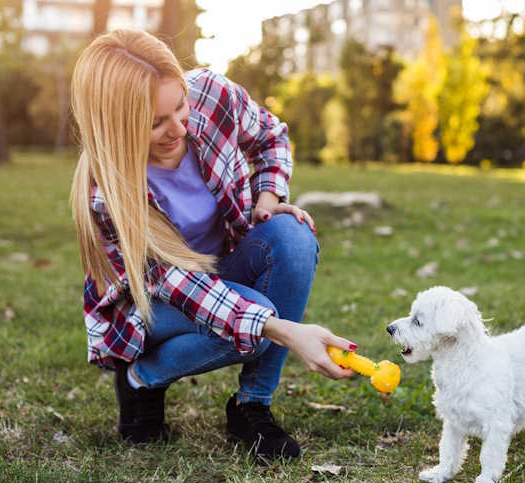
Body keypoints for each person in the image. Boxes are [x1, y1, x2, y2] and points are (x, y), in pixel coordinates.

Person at [69, 29, 355, 460]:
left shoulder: (212, 95)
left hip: (219, 266)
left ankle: (251, 406)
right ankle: (142, 378)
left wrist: (266, 202)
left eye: (180, 106)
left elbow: (270, 137)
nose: (179, 129)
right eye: (154, 123)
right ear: (116, 125)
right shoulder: (106, 193)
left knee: (292, 237)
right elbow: (182, 286)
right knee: (256, 326)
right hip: (154, 302)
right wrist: (286, 332)